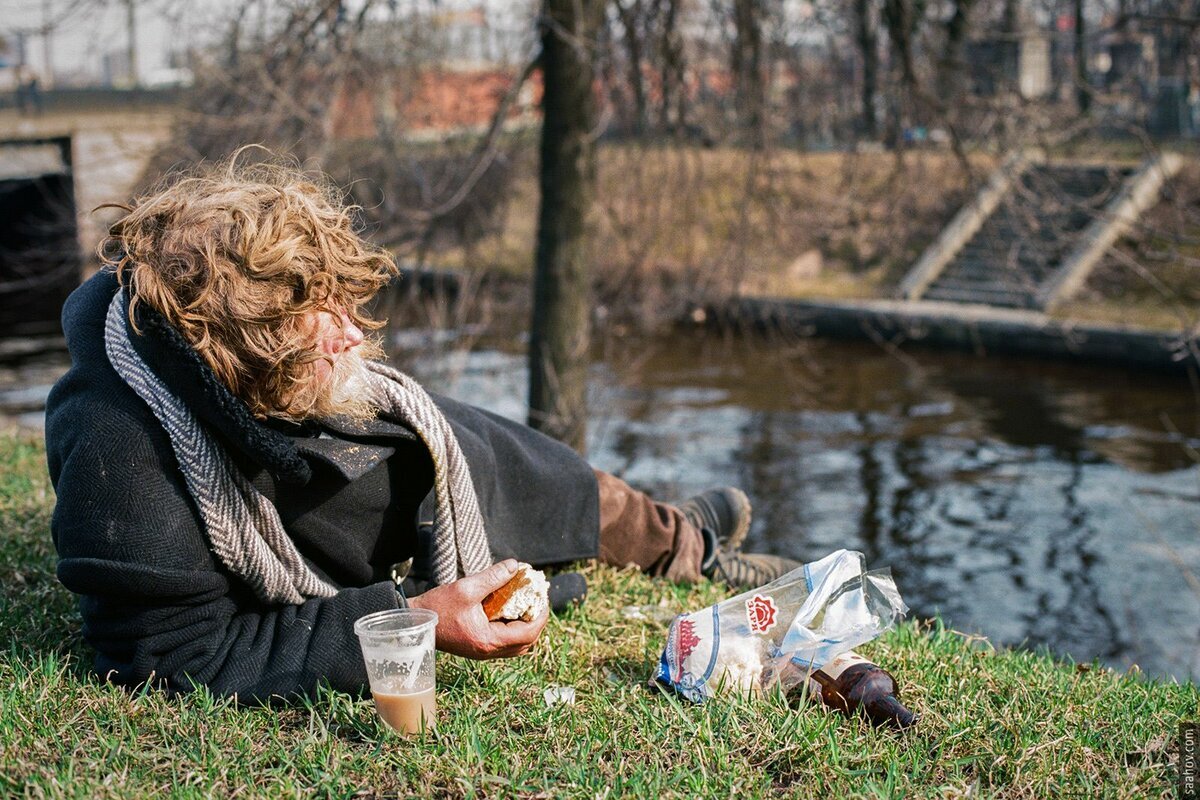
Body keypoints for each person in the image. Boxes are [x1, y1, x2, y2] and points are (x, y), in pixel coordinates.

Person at [45, 160, 800, 702]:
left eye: (343, 303)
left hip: (322, 445)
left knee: (515, 463)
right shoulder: (122, 456)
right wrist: (409, 621)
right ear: (235, 351)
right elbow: (175, 657)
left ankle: (683, 542)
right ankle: (681, 538)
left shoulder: (276, 372)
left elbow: (498, 457)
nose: (351, 334)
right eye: (319, 323)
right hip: (306, 514)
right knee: (495, 482)